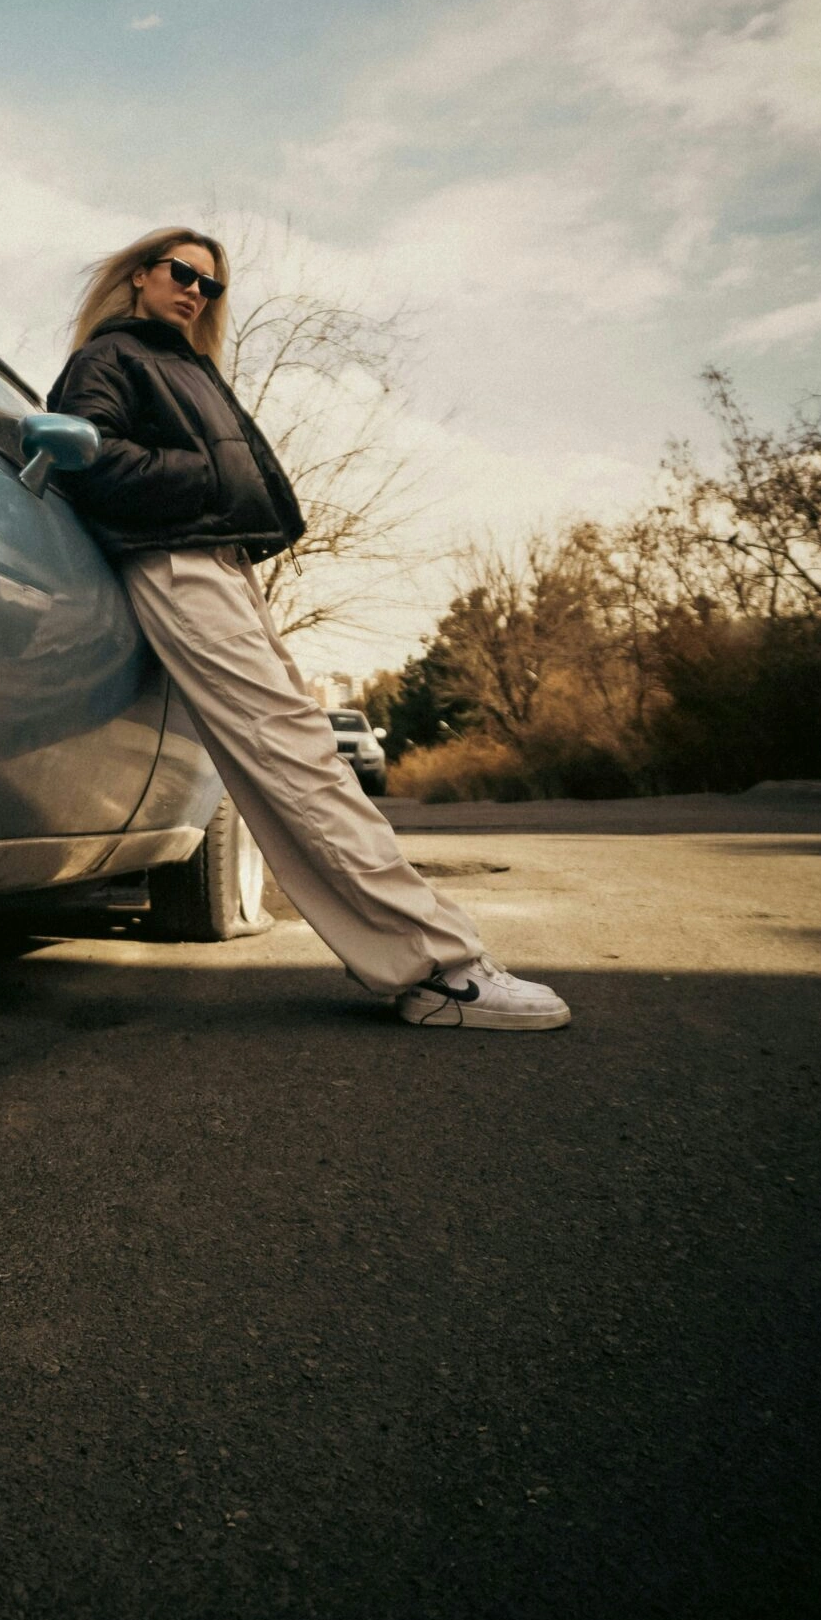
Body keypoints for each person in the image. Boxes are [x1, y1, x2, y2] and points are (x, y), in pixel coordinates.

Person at [48, 224, 571, 1032]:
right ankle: (441, 969)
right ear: (139, 276)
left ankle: (421, 962)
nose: (197, 292)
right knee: (298, 762)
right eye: (184, 274)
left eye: (212, 286)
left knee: (304, 762)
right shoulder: (112, 357)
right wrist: (209, 475)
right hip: (176, 564)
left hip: (220, 567)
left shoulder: (182, 361)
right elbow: (87, 458)